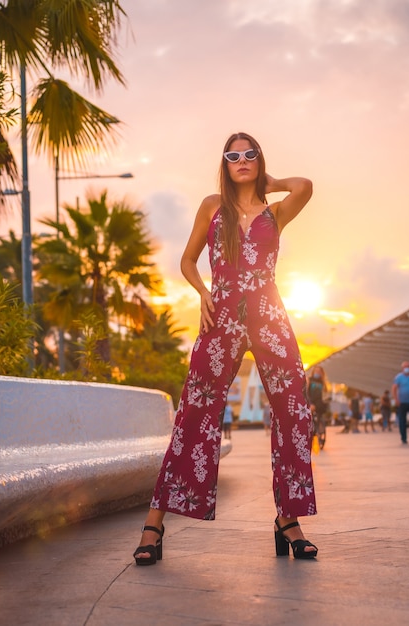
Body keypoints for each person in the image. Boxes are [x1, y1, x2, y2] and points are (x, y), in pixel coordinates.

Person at [133, 132, 318, 565]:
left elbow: (305, 185)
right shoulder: (212, 206)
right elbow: (187, 259)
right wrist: (202, 292)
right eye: (232, 155)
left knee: (293, 411)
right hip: (223, 317)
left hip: (270, 315)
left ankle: (288, 521)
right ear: (223, 162)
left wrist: (263, 182)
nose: (241, 160)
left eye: (249, 154)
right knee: (195, 409)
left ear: (259, 159)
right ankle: (153, 524)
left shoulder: (276, 212)